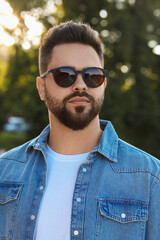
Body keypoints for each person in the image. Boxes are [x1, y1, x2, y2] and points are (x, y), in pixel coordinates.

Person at [0, 21, 160, 240]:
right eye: (64, 75)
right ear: (41, 87)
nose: (80, 85)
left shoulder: (149, 178)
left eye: (92, 75)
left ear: (103, 84)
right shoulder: (5, 172)